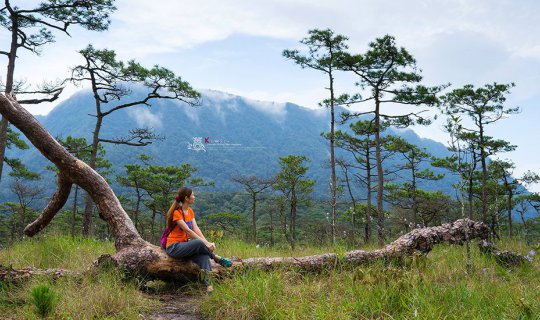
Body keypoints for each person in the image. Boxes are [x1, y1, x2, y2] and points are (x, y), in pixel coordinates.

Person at [164, 187, 232, 293]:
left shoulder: (190, 211)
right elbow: (188, 231)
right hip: (174, 247)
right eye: (193, 195)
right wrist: (205, 243)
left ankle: (209, 286)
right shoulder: (177, 213)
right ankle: (216, 258)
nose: (194, 197)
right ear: (186, 198)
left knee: (204, 256)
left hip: (186, 246)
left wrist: (208, 243)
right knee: (198, 243)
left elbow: (196, 229)